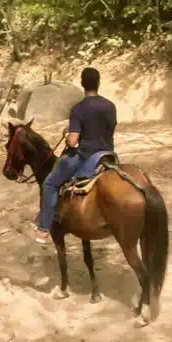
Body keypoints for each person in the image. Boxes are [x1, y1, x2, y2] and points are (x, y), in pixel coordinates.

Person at [34, 67, 117, 244]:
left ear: (82, 84)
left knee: (50, 183)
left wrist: (69, 137)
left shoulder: (78, 109)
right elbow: (104, 128)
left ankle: (43, 229)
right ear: (99, 83)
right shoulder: (110, 106)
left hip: (86, 156)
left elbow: (73, 141)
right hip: (108, 155)